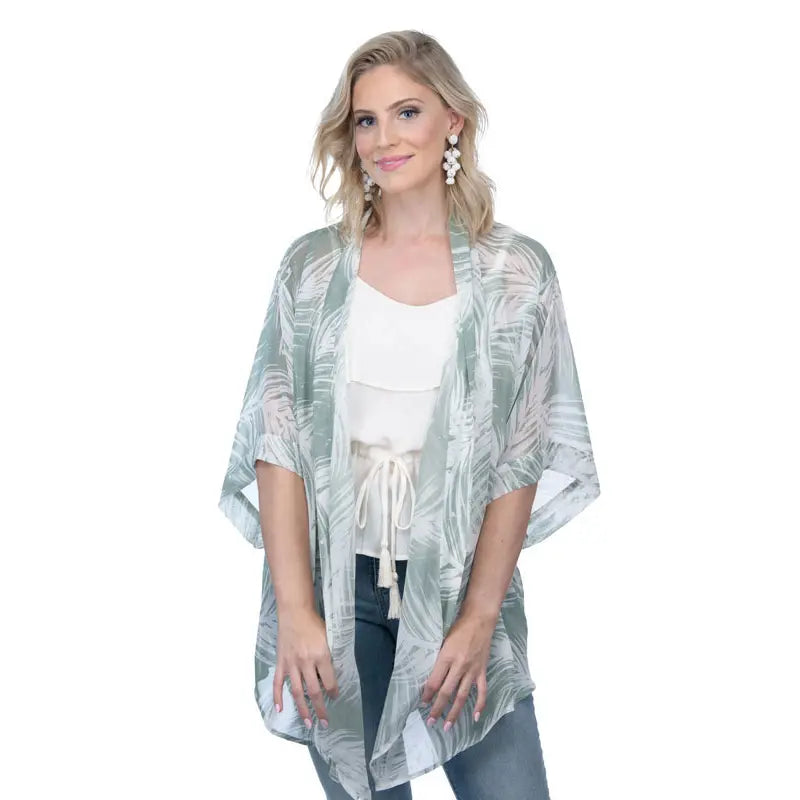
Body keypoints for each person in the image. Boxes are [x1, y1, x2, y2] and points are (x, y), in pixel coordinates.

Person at [218, 30, 600, 800]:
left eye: (407, 113)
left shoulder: (516, 274)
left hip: (459, 587)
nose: (384, 139)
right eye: (366, 120)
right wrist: (296, 611)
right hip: (337, 593)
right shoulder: (312, 268)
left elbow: (521, 454)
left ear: (452, 120)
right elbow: (278, 442)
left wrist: (479, 617)